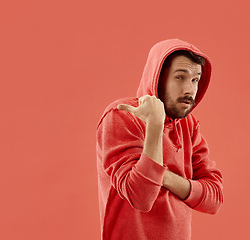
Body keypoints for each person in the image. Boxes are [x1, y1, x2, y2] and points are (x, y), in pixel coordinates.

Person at [96, 38, 223, 240]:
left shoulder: (188, 125)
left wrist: (164, 177)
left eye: (195, 80)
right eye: (180, 77)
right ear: (158, 78)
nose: (189, 89)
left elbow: (214, 197)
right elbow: (141, 197)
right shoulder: (121, 116)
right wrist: (155, 125)